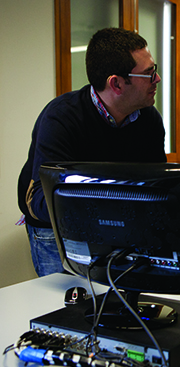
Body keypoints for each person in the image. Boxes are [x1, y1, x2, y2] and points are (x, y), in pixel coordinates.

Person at [17, 28, 167, 277]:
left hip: (112, 226)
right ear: (116, 83)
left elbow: (157, 186)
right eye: (148, 73)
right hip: (53, 229)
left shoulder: (149, 119)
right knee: (65, 307)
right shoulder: (61, 117)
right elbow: (42, 200)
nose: (157, 79)